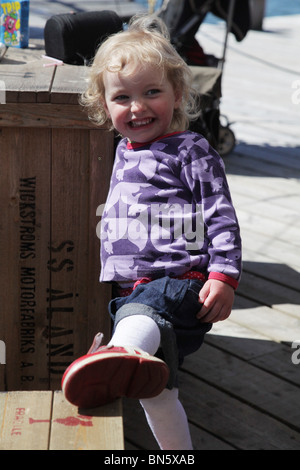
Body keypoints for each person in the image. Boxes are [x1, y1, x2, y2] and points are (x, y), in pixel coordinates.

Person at [61, 15, 242, 450]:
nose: (137, 107)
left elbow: (220, 214)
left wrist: (224, 275)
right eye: (122, 97)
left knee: (138, 318)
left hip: (183, 285)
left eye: (152, 92)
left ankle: (117, 354)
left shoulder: (190, 150)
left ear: (177, 94)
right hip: (137, 292)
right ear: (105, 106)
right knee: (157, 395)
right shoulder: (124, 149)